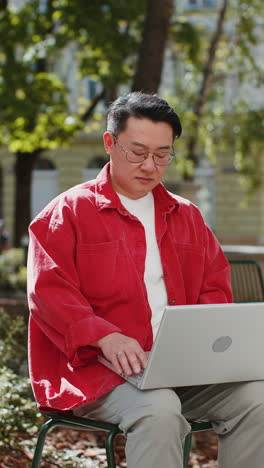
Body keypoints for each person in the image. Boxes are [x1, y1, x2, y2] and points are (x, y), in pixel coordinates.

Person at [27, 92, 264, 468]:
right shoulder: (68, 211)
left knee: (258, 398)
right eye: (137, 152)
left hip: (181, 368)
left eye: (162, 154)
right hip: (93, 372)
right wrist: (104, 336)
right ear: (110, 143)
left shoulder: (187, 216)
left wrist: (199, 345)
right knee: (158, 408)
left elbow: (214, 288)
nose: (150, 166)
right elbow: (48, 292)